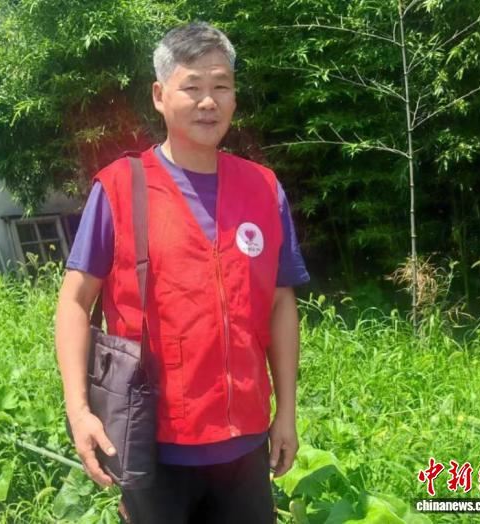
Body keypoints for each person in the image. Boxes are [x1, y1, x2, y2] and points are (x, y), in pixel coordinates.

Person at [54, 21, 310, 524]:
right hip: (153, 444)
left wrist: (287, 412)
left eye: (221, 86)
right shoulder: (120, 188)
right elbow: (74, 302)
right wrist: (79, 411)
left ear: (234, 97)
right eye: (192, 87)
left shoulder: (263, 189)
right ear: (159, 95)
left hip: (245, 444)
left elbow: (281, 301)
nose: (208, 101)